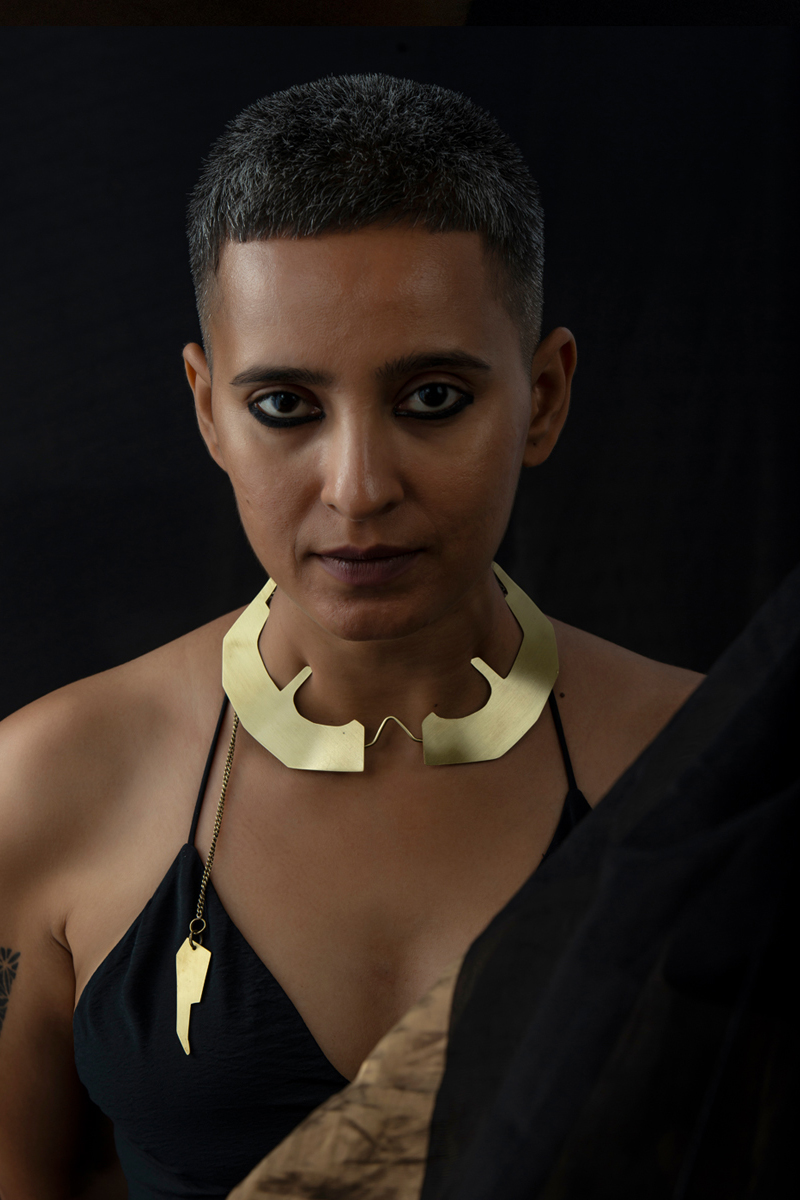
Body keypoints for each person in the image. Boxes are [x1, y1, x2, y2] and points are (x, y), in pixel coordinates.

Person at [0, 74, 703, 1200]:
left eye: (431, 399)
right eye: (285, 406)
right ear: (206, 409)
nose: (359, 487)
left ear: (543, 395)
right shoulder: (41, 786)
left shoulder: (708, 770)